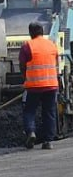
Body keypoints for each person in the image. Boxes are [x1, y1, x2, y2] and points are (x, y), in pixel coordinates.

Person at [20, 21, 59, 149]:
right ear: (42, 32)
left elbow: (22, 65)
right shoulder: (52, 45)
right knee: (49, 111)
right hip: (51, 85)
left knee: (29, 110)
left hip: (34, 86)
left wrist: (25, 79)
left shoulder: (27, 46)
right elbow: (56, 65)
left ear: (31, 33)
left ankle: (31, 132)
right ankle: (48, 141)